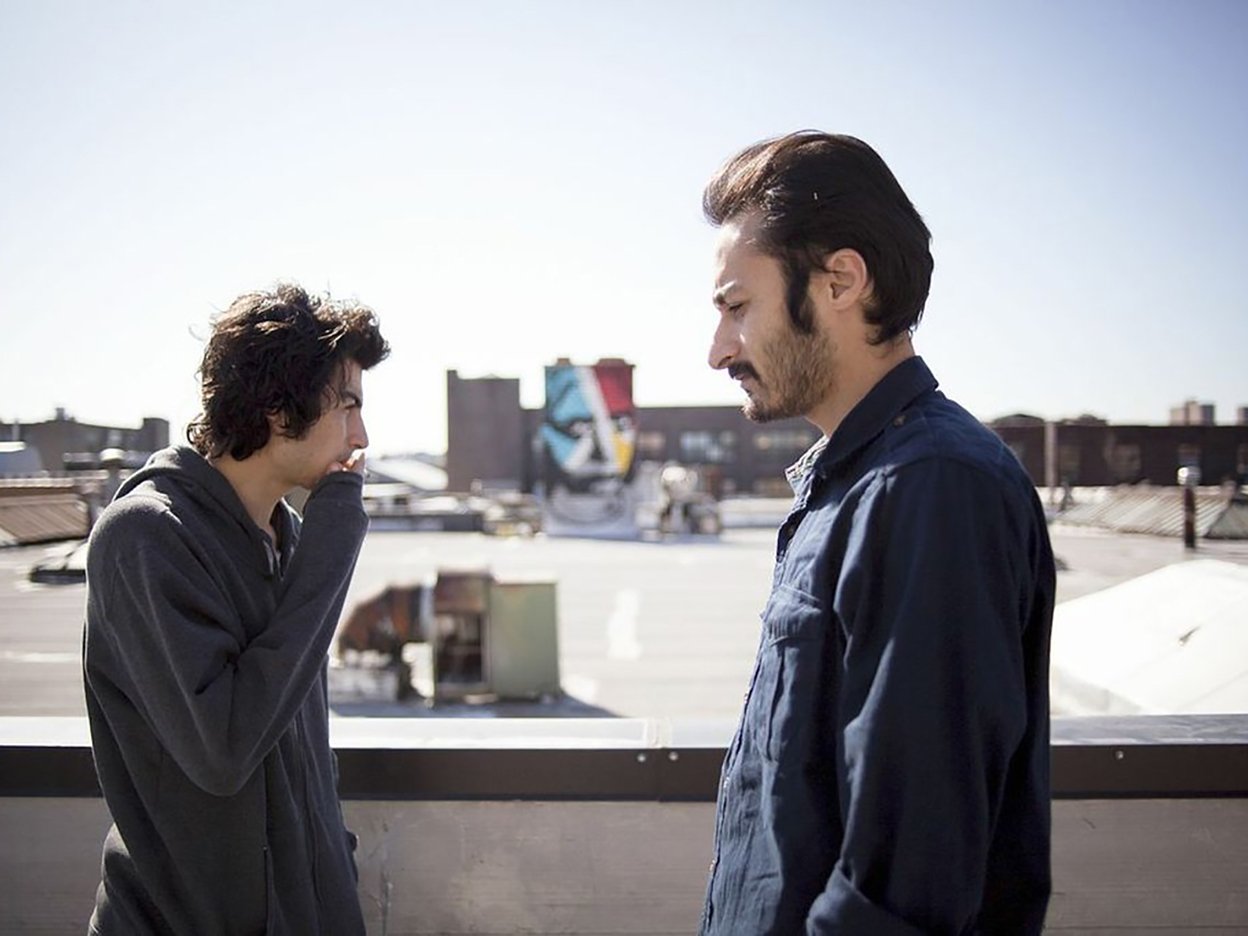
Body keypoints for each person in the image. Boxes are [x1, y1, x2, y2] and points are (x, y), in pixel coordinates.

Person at [699, 132, 1055, 934]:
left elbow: (908, 875)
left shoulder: (930, 488)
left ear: (841, 281)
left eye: (737, 307)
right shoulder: (854, 484)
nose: (718, 350)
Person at [83, 283, 389, 935]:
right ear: (278, 410)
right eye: (348, 406)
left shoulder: (287, 539)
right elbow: (222, 751)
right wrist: (336, 536)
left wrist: (334, 873)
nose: (361, 435)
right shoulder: (146, 537)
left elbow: (304, 747)